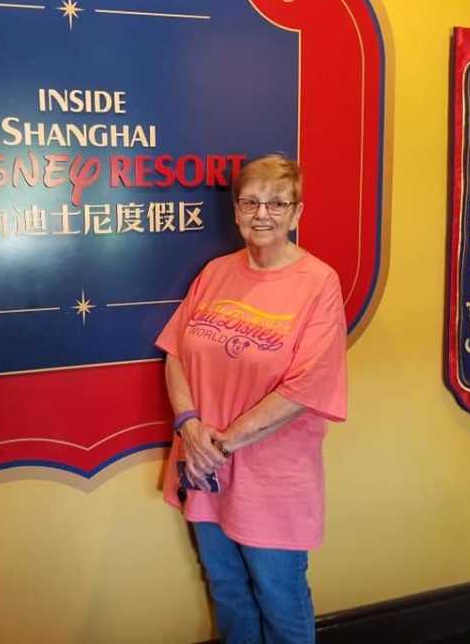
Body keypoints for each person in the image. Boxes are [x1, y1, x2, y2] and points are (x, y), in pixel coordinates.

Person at [156, 154, 347, 644]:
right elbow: (175, 351)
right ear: (237, 212)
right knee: (227, 590)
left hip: (270, 476)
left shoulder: (319, 283)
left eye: (278, 203)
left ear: (297, 214)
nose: (263, 214)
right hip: (201, 466)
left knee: (279, 597)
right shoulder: (216, 273)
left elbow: (305, 386)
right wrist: (190, 426)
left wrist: (219, 444)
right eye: (251, 202)